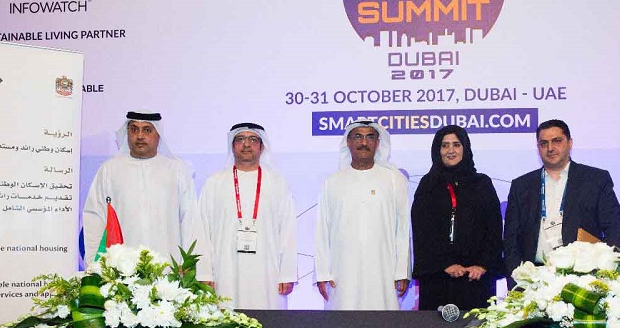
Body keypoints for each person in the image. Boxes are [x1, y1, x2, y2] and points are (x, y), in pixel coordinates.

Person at [82, 111, 213, 282]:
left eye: (147, 130)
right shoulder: (109, 170)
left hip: (168, 273)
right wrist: (95, 267)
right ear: (127, 133)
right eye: (134, 129)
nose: (140, 136)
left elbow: (191, 221)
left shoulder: (176, 171)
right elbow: (95, 218)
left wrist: (200, 272)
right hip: (121, 272)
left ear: (158, 134)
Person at [503, 119, 620, 285]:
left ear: (570, 143)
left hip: (583, 278)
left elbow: (616, 229)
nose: (550, 148)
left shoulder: (595, 180)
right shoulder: (521, 185)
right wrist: (517, 277)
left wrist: (601, 269)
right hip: (533, 279)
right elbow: (510, 239)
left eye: (557, 141)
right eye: (543, 143)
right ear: (538, 148)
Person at [314, 119, 411, 310]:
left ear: (378, 143)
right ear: (348, 142)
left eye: (370, 137)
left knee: (383, 321)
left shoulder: (394, 179)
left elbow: (403, 230)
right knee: (343, 322)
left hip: (384, 271)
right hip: (342, 272)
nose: (364, 142)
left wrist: (402, 271)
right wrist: (323, 273)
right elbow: (322, 230)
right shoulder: (333, 181)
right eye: (358, 137)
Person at [199, 122, 297, 309]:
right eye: (240, 139)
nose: (246, 144)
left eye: (253, 139)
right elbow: (202, 230)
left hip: (268, 272)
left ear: (262, 147)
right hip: (224, 270)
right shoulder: (214, 183)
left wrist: (287, 274)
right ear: (232, 146)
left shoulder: (277, 183)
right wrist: (204, 272)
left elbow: (288, 231)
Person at [411, 125, 503, 311]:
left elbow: (493, 229)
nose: (450, 150)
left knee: (476, 327)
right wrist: (445, 264)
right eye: (445, 145)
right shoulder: (428, 184)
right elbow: (422, 230)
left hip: (476, 278)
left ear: (465, 148)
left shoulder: (482, 183)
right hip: (438, 277)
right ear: (437, 150)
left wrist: (483, 265)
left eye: (456, 144)